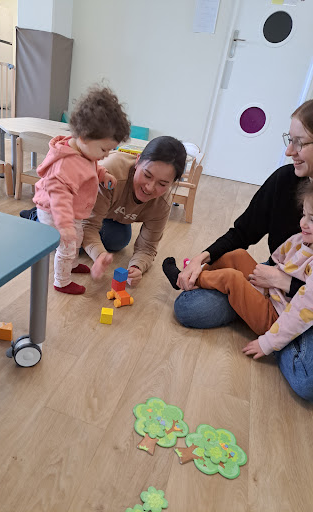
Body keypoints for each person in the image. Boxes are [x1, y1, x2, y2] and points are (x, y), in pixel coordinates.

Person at [163, 99, 313, 401]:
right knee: (189, 307)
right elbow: (245, 233)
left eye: (299, 143)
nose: (288, 151)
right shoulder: (286, 182)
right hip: (272, 286)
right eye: (289, 140)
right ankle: (239, 301)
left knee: (305, 380)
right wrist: (202, 260)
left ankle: (274, 332)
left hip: (300, 303)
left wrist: (286, 283)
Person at [165, 180, 313, 363]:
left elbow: (299, 313)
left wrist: (267, 343)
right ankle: (196, 279)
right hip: (273, 293)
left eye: (311, 219)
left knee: (231, 278)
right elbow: (275, 259)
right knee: (238, 255)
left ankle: (189, 280)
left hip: (276, 317)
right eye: (304, 214)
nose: (303, 223)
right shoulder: (301, 240)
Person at [33, 86, 130, 295]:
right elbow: (59, 198)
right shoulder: (65, 166)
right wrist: (65, 225)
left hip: (73, 211)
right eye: (104, 150)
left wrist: (103, 174)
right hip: (56, 213)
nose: (106, 155)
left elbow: (91, 166)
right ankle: (62, 281)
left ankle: (72, 264)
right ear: (84, 138)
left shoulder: (84, 152)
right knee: (68, 244)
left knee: (76, 237)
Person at [82, 136, 187, 286]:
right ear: (137, 161)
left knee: (119, 239)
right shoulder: (111, 174)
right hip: (74, 208)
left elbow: (148, 247)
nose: (150, 187)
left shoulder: (162, 202)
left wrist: (137, 266)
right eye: (147, 175)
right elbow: (88, 224)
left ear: (172, 183)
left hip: (110, 216)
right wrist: (99, 255)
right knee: (67, 240)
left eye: (162, 184)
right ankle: (38, 217)